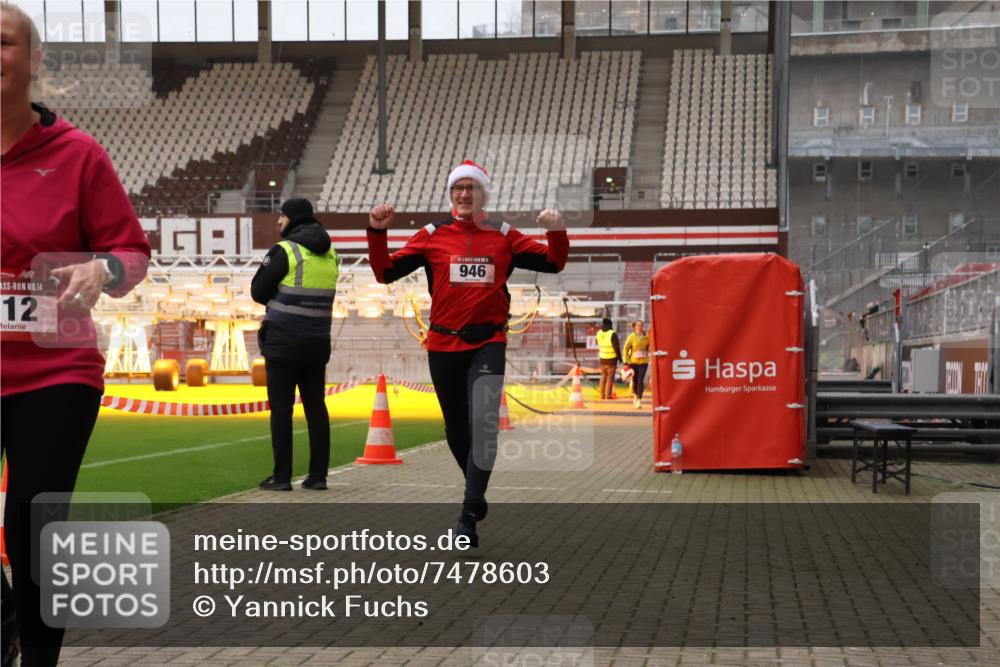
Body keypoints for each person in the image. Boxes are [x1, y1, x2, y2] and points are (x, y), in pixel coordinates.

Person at [0, 3, 151, 664]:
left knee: (35, 525)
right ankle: (7, 612)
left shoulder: (77, 154)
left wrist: (102, 265)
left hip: (53, 372)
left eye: (2, 42)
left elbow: (132, 254)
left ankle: (37, 658)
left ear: (34, 61)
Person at [367, 160, 568, 547]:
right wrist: (377, 232)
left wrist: (556, 231)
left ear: (484, 194)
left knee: (485, 423)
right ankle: (474, 491)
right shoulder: (432, 234)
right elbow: (385, 272)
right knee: (457, 428)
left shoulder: (505, 236)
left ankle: (467, 511)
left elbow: (553, 262)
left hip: (488, 342)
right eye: (457, 188)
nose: (464, 194)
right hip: (443, 344)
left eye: (471, 188)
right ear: (450, 195)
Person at [251, 198, 339, 492]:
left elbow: (258, 291)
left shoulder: (285, 250)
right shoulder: (331, 254)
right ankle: (318, 477)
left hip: (283, 343)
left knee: (281, 410)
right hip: (316, 343)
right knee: (316, 408)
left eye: (282, 216)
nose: (278, 221)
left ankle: (281, 477)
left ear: (293, 220)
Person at [622, 320, 650, 408]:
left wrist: (649, 350)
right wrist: (625, 361)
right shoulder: (631, 337)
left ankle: (639, 399)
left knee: (640, 380)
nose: (640, 327)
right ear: (635, 327)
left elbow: (650, 346)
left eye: (641, 325)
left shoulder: (647, 337)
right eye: (638, 325)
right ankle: (635, 394)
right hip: (634, 362)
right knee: (635, 380)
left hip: (644, 361)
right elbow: (625, 348)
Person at [596, 318, 622, 400]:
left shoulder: (599, 333)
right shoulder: (612, 334)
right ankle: (608, 395)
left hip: (602, 358)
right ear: (610, 325)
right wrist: (620, 358)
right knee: (610, 378)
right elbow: (616, 348)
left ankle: (602, 395)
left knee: (603, 377)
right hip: (611, 359)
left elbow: (598, 343)